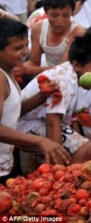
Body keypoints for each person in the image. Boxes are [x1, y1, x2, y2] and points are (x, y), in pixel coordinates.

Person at [17, 30, 91, 164]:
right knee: (83, 149)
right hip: (23, 123)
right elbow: (52, 123)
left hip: (48, 123)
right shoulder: (63, 80)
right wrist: (58, 170)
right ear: (76, 65)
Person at [0, 18, 70, 182]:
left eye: (25, 45)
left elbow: (12, 112)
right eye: (18, 48)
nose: (25, 52)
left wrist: (42, 96)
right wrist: (39, 141)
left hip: (6, 161)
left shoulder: (8, 71)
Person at [23, 0, 86, 76]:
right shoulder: (38, 29)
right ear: (46, 12)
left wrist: (27, 70)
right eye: (55, 15)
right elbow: (34, 62)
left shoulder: (77, 32)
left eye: (65, 16)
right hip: (48, 75)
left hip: (71, 77)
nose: (60, 22)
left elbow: (63, 69)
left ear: (71, 13)